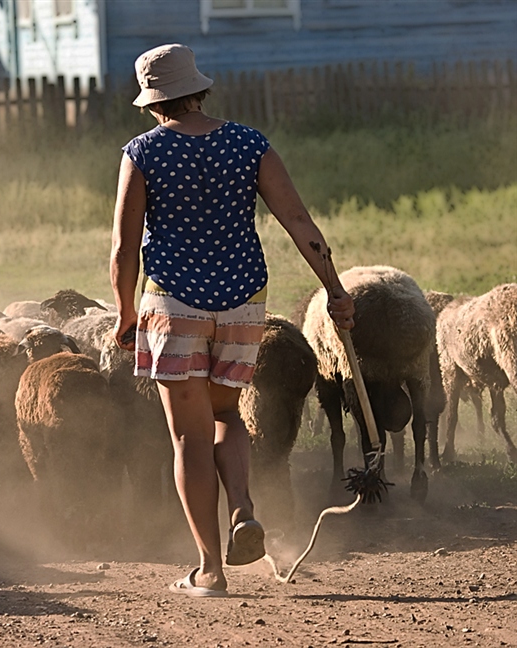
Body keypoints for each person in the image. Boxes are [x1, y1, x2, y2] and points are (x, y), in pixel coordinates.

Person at [110, 43, 355, 597]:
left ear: (153, 102)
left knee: (188, 440)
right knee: (227, 417)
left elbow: (125, 249)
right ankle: (243, 508)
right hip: (244, 304)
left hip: (174, 305)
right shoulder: (249, 143)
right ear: (199, 89)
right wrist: (335, 290)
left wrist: (126, 315)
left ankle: (210, 570)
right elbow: (297, 220)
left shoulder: (143, 152)